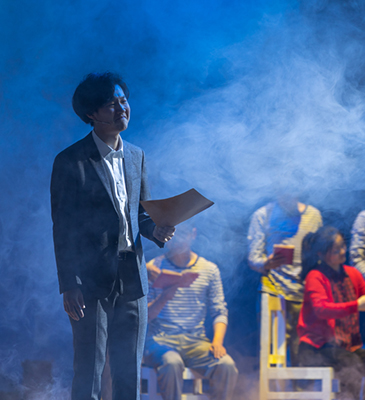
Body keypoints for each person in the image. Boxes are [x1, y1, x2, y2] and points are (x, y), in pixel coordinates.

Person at [51, 72, 175, 400]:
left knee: (128, 373)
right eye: (111, 104)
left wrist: (157, 230)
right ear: (91, 113)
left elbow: (141, 216)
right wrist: (69, 283)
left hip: (132, 276)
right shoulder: (70, 161)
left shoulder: (136, 155)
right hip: (90, 280)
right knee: (89, 371)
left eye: (123, 101)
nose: (122, 109)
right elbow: (63, 228)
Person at [297, 226, 365, 400]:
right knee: (351, 364)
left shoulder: (352, 273)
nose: (343, 251)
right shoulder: (315, 276)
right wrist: (356, 305)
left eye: (343, 246)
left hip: (346, 347)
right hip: (317, 348)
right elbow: (321, 309)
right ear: (320, 254)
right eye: (336, 250)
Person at [144, 224, 238, 400]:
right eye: (174, 235)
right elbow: (145, 316)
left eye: (183, 234)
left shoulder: (208, 269)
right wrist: (164, 297)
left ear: (193, 234)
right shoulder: (153, 268)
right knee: (172, 363)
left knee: (226, 365)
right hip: (160, 340)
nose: (178, 240)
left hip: (196, 341)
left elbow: (219, 310)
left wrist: (218, 341)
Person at [247, 192, 322, 365]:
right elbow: (253, 258)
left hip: (304, 292)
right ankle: (270, 382)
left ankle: (299, 382)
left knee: (302, 352)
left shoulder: (313, 215)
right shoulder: (263, 214)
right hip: (273, 289)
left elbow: (318, 254)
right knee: (272, 351)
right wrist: (266, 263)